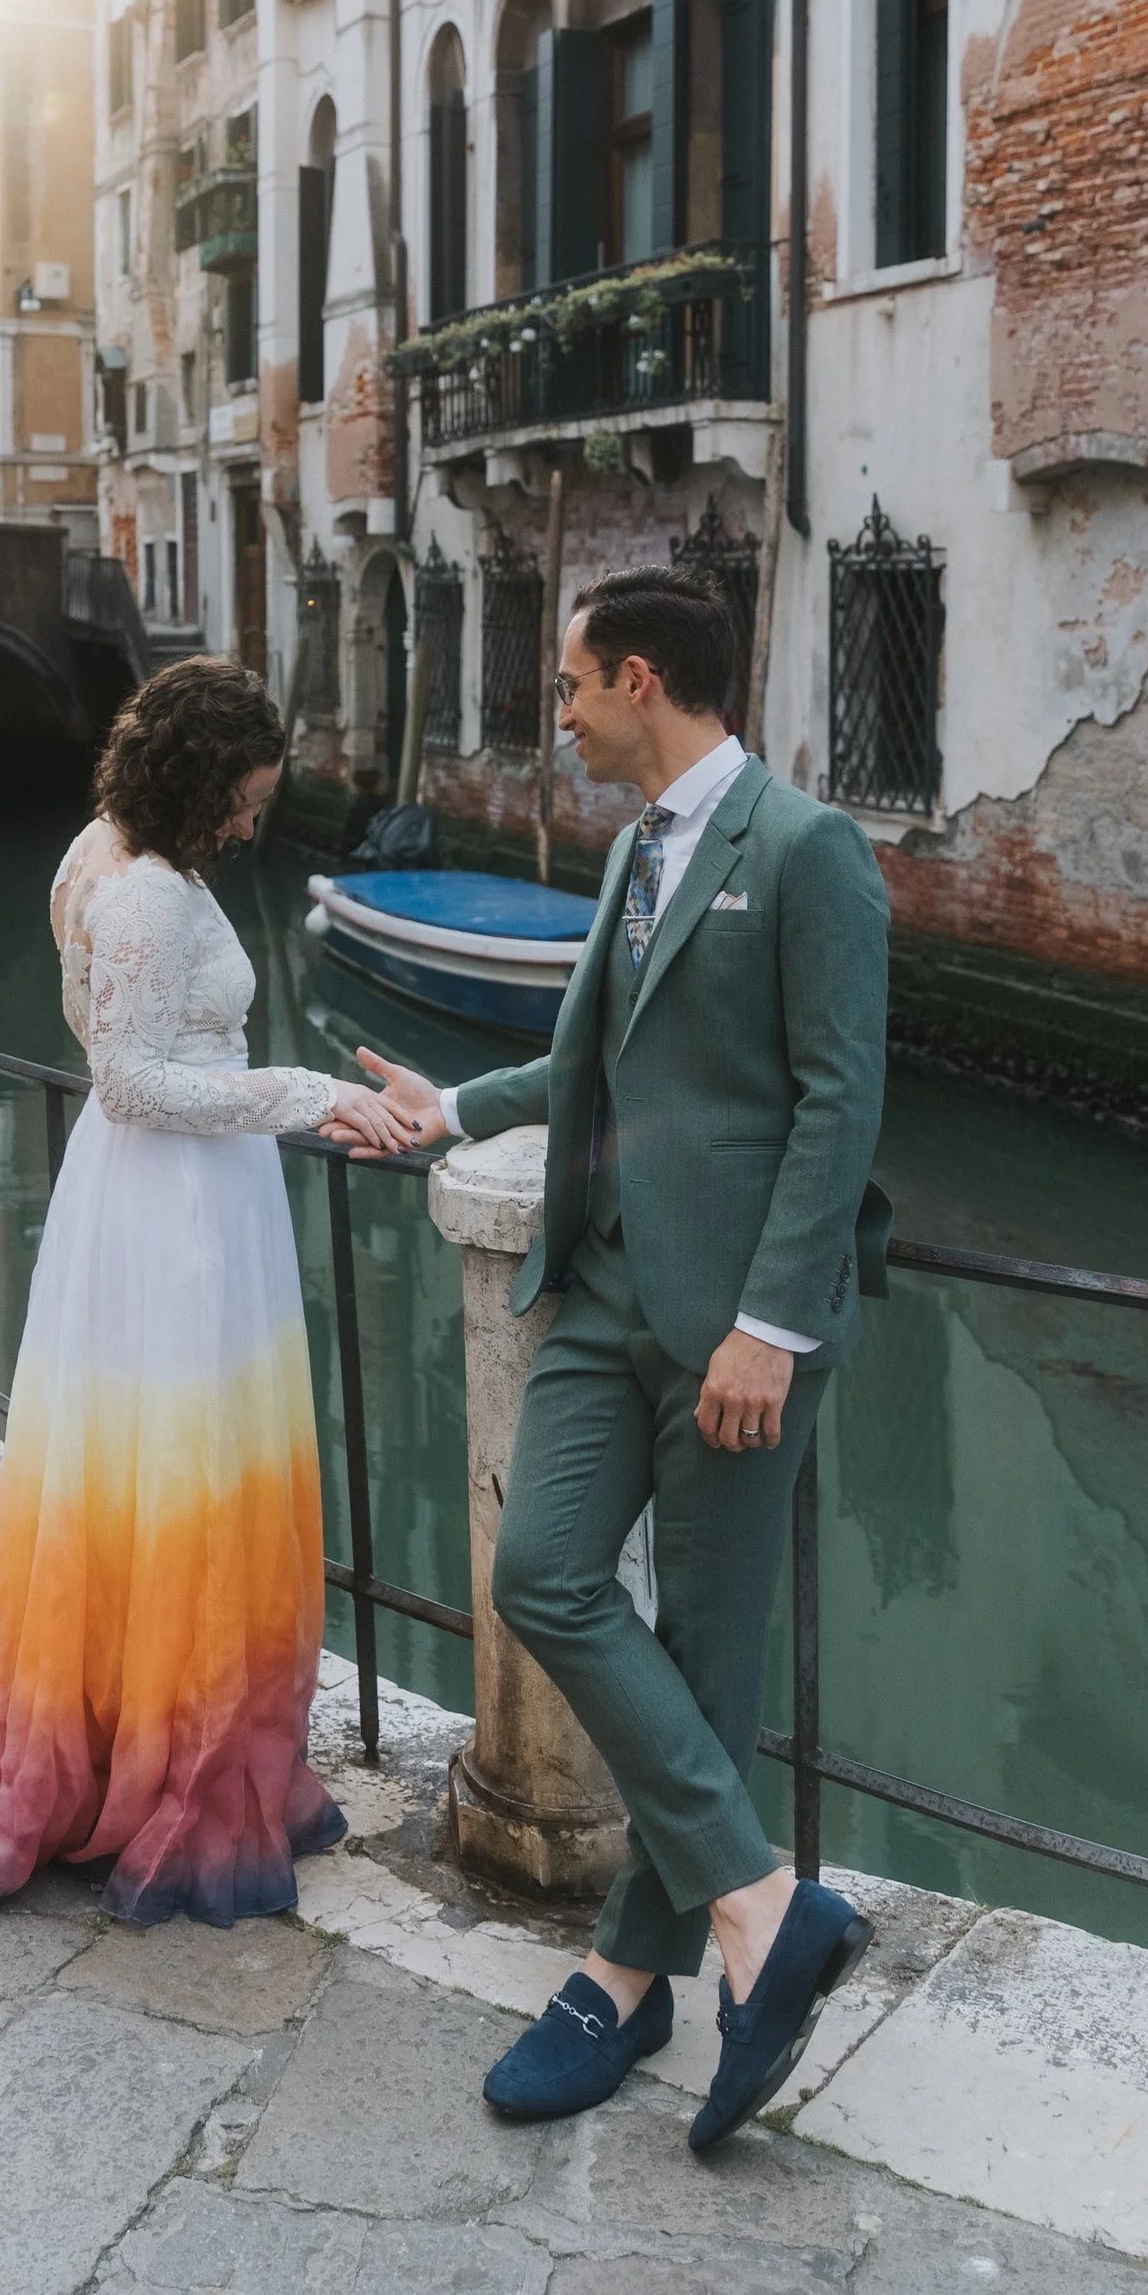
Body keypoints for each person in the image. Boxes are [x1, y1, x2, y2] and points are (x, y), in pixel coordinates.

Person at [361, 566, 890, 2153]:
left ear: (643, 679)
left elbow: (836, 1101)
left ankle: (621, 1975)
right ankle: (761, 1905)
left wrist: (770, 1327)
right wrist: (451, 1106)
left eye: (576, 685)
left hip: (738, 1332)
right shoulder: (636, 851)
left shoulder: (805, 851)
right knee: (541, 1570)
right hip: (598, 1293)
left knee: (711, 1664)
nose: (565, 713)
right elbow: (595, 1052)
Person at [0, 655, 411, 1931]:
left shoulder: (91, 849)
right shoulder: (153, 896)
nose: (251, 823)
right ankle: (174, 1753)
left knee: (128, 1460)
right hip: (177, 1200)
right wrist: (313, 1094)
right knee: (189, 1465)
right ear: (199, 781)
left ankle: (114, 1724)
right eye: (246, 798)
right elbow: (133, 1082)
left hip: (133, 1196)